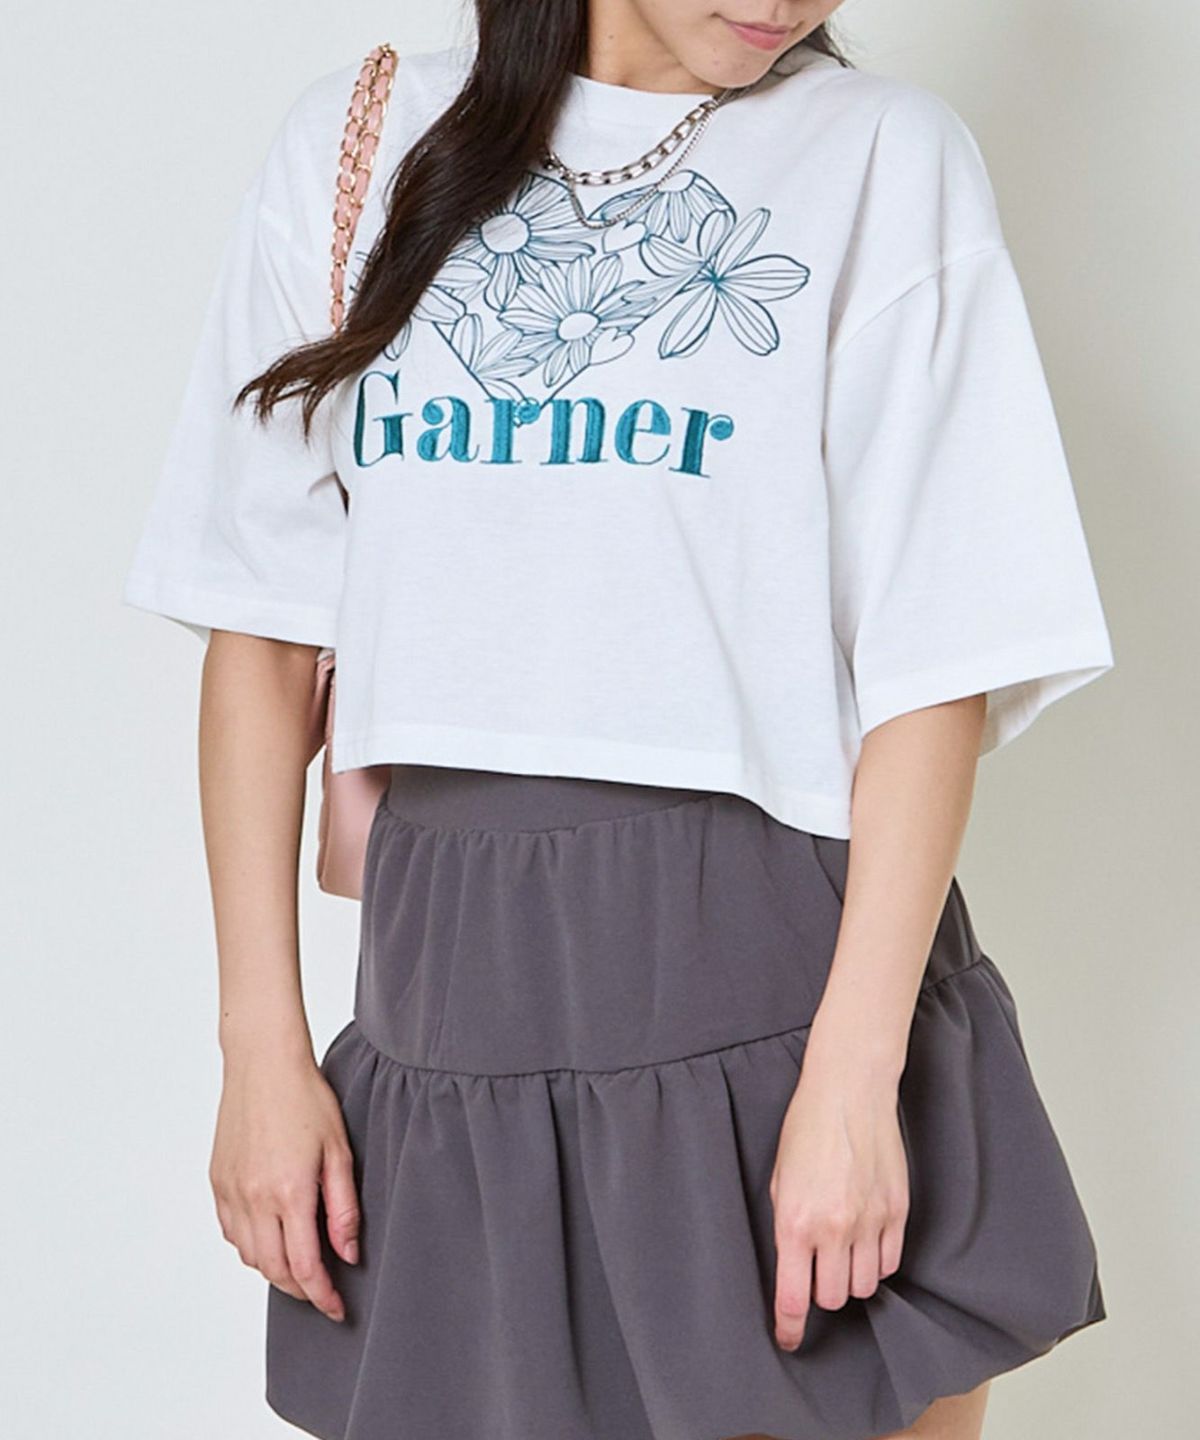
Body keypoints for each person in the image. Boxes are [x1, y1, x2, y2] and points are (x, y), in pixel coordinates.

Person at [121, 4, 1115, 1438]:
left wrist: (855, 1079)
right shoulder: (364, 139)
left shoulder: (881, 157)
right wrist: (259, 1050)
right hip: (452, 999)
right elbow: (261, 631)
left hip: (785, 977)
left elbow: (934, 660)